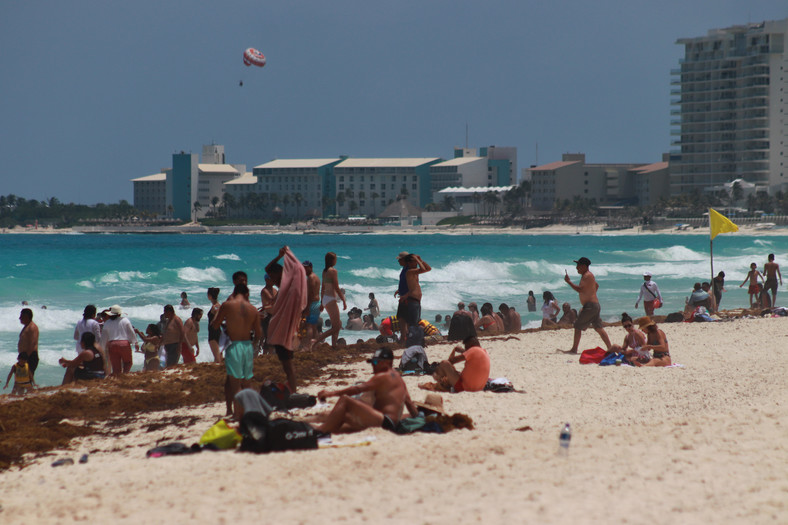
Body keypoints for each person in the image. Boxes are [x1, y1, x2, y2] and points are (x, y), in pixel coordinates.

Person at [314, 348, 418, 434]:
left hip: (385, 421)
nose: (373, 365)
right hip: (391, 423)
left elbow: (357, 389)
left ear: (388, 362)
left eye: (376, 362)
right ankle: (324, 431)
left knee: (345, 400)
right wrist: (419, 419)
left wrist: (331, 394)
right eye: (372, 362)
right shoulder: (398, 378)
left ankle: (321, 431)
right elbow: (408, 402)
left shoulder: (383, 376)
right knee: (343, 418)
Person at [211, 283, 263, 418]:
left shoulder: (227, 305)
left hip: (234, 345)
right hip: (248, 346)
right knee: (247, 382)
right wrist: (254, 344)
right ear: (247, 294)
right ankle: (252, 411)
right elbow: (258, 333)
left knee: (235, 384)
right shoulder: (253, 309)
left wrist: (225, 324)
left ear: (234, 293)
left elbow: (215, 325)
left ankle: (238, 415)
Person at [266, 246, 308, 393]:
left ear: (278, 273)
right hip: (282, 323)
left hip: (287, 325)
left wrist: (288, 254)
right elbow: (267, 268)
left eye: (272, 276)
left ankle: (293, 391)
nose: (271, 279)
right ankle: (291, 388)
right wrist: (279, 256)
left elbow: (299, 269)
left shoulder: (286, 279)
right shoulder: (279, 281)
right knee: (286, 364)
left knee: (288, 365)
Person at [561, 257, 612, 353]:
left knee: (577, 326)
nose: (577, 268)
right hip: (594, 305)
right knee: (598, 328)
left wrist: (568, 282)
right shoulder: (589, 276)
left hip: (590, 306)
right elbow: (596, 285)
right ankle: (610, 348)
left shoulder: (586, 276)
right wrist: (592, 295)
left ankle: (574, 349)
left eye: (578, 266)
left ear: (584, 266)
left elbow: (580, 289)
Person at [312, 252, 347, 349]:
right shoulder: (333, 271)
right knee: (336, 326)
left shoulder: (325, 271)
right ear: (332, 260)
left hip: (326, 299)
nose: (336, 260)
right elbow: (336, 287)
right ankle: (316, 341)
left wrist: (322, 302)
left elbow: (322, 287)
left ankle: (334, 346)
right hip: (331, 299)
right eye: (335, 259)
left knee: (337, 324)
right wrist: (343, 300)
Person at [100, 305, 138, 375]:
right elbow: (131, 332)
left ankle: (117, 379)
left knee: (116, 366)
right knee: (128, 362)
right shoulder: (125, 320)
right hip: (124, 344)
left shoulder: (107, 323)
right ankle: (124, 375)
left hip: (112, 344)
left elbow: (104, 337)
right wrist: (135, 342)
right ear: (120, 314)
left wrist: (101, 348)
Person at [400, 254, 432, 332]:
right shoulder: (410, 272)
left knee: (414, 322)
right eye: (415, 261)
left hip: (415, 300)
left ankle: (412, 339)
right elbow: (424, 269)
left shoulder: (414, 271)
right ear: (409, 263)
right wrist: (418, 260)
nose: (417, 263)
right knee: (413, 324)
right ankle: (411, 340)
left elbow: (429, 268)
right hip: (412, 300)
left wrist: (420, 260)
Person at [17, 308, 39, 381]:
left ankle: (31, 391)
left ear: (26, 317)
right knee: (22, 379)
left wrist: (25, 359)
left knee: (26, 380)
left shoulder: (32, 327)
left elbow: (32, 344)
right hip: (25, 357)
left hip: (30, 356)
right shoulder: (26, 326)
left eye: (21, 316)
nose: (19, 318)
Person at [303, 261, 321, 345]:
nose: (304, 270)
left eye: (306, 268)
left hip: (312, 304)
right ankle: (315, 345)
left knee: (309, 326)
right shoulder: (315, 276)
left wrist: (307, 307)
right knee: (313, 326)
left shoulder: (311, 277)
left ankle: (308, 346)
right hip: (315, 303)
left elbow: (311, 294)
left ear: (311, 267)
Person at [394, 252, 411, 342]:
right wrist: (399, 290)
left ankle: (406, 337)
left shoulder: (409, 269)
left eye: (400, 260)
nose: (399, 261)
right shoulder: (404, 269)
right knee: (401, 318)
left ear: (405, 260)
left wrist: (406, 295)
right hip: (403, 296)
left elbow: (413, 285)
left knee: (406, 319)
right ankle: (404, 336)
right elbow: (404, 283)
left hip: (407, 298)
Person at [260, 274, 278, 351]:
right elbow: (272, 300)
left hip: (274, 315)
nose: (274, 280)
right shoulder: (264, 291)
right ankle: (265, 354)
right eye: (272, 279)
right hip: (267, 316)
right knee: (268, 337)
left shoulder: (275, 290)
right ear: (267, 280)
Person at [206, 287, 223, 363]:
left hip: (213, 332)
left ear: (209, 296)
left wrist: (214, 320)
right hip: (218, 331)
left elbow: (218, 313)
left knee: (217, 357)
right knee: (219, 355)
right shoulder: (218, 305)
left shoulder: (215, 306)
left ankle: (220, 372)